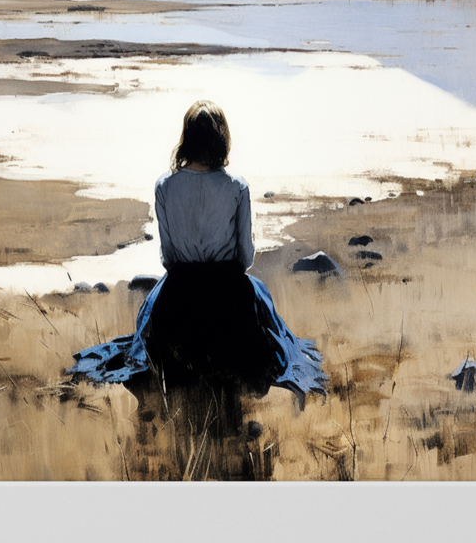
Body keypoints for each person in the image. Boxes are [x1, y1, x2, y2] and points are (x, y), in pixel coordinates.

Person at [67, 100, 327, 397]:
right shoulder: (237, 187)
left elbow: (168, 257)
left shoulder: (164, 185)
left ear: (186, 138)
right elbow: (245, 258)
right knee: (270, 323)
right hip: (229, 294)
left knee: (147, 319)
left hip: (180, 291)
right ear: (222, 139)